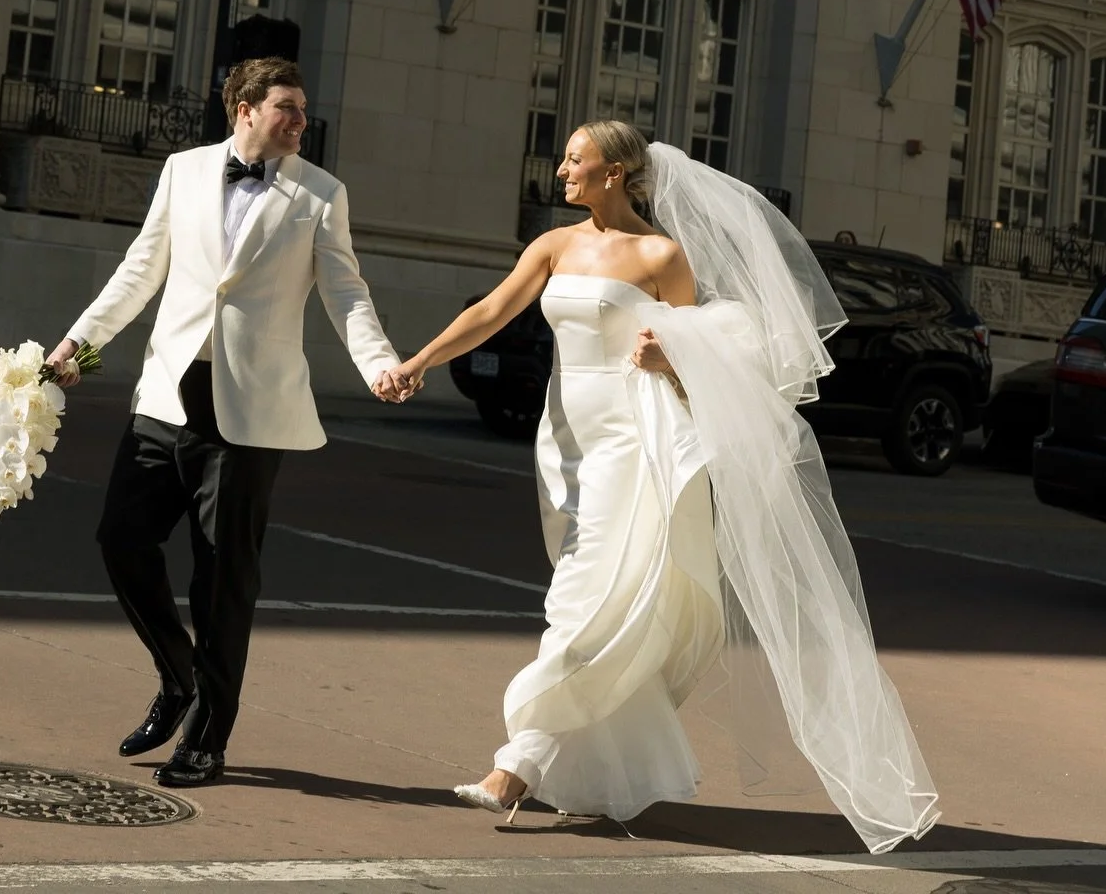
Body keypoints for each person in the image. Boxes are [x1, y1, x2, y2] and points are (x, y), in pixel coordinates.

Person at [388, 121, 939, 852]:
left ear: (614, 172)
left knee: (589, 599)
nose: (561, 171)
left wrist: (667, 361)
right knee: (593, 596)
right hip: (565, 441)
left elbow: (708, 365)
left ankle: (513, 768)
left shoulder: (661, 256)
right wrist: (420, 359)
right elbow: (491, 311)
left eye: (574, 159)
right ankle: (590, 762)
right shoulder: (554, 245)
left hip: (633, 443)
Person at [45, 56, 405, 789]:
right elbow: (140, 268)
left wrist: (378, 363)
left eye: (303, 108)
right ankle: (177, 673)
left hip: (250, 412)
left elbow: (345, 291)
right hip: (167, 393)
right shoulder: (183, 170)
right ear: (243, 109)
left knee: (222, 577)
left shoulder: (320, 194)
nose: (301, 120)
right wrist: (80, 343)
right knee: (121, 536)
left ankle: (207, 739)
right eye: (287, 107)